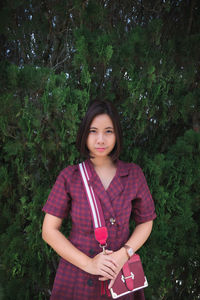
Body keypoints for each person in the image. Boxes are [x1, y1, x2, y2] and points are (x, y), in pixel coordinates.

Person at [42, 100, 157, 300]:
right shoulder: (70, 176)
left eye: (108, 131)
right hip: (77, 276)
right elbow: (49, 231)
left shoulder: (133, 174)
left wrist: (124, 254)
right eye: (93, 131)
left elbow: (146, 221)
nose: (101, 139)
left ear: (117, 134)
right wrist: (90, 264)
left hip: (121, 276)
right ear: (84, 134)